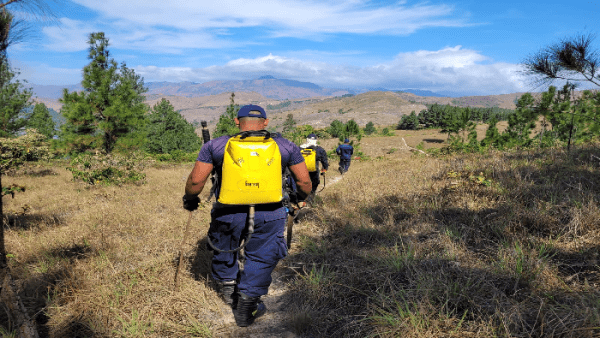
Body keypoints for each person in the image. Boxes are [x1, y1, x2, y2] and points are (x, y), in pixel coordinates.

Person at [183, 104, 311, 328]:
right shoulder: (284, 146)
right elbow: (304, 182)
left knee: (224, 247)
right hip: (270, 213)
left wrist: (190, 199)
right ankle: (246, 306)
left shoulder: (216, 145)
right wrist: (299, 198)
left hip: (227, 213)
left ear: (236, 121)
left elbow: (196, 181)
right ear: (266, 122)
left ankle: (228, 289)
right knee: (262, 256)